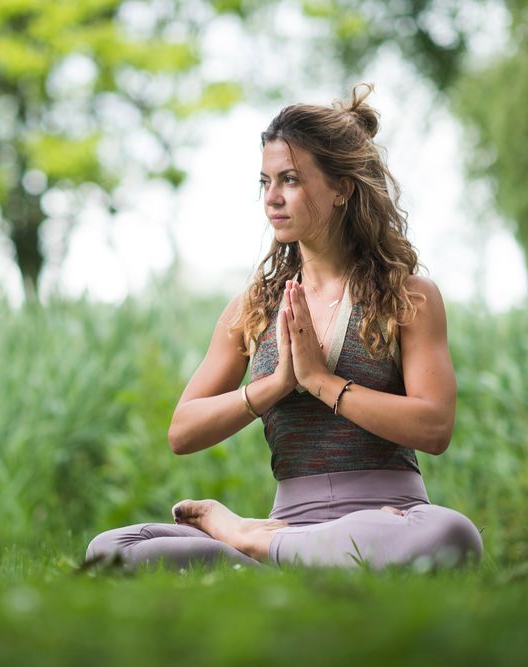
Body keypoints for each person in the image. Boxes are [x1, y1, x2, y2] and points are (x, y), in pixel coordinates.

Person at [84, 83, 483, 571]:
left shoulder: (409, 296)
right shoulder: (252, 307)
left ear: (342, 189)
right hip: (289, 524)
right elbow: (182, 431)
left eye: (290, 179)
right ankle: (278, 552)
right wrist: (274, 386)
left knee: (453, 534)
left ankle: (253, 551)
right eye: (265, 182)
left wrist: (322, 381)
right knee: (112, 547)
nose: (272, 198)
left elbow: (435, 428)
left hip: (388, 516)